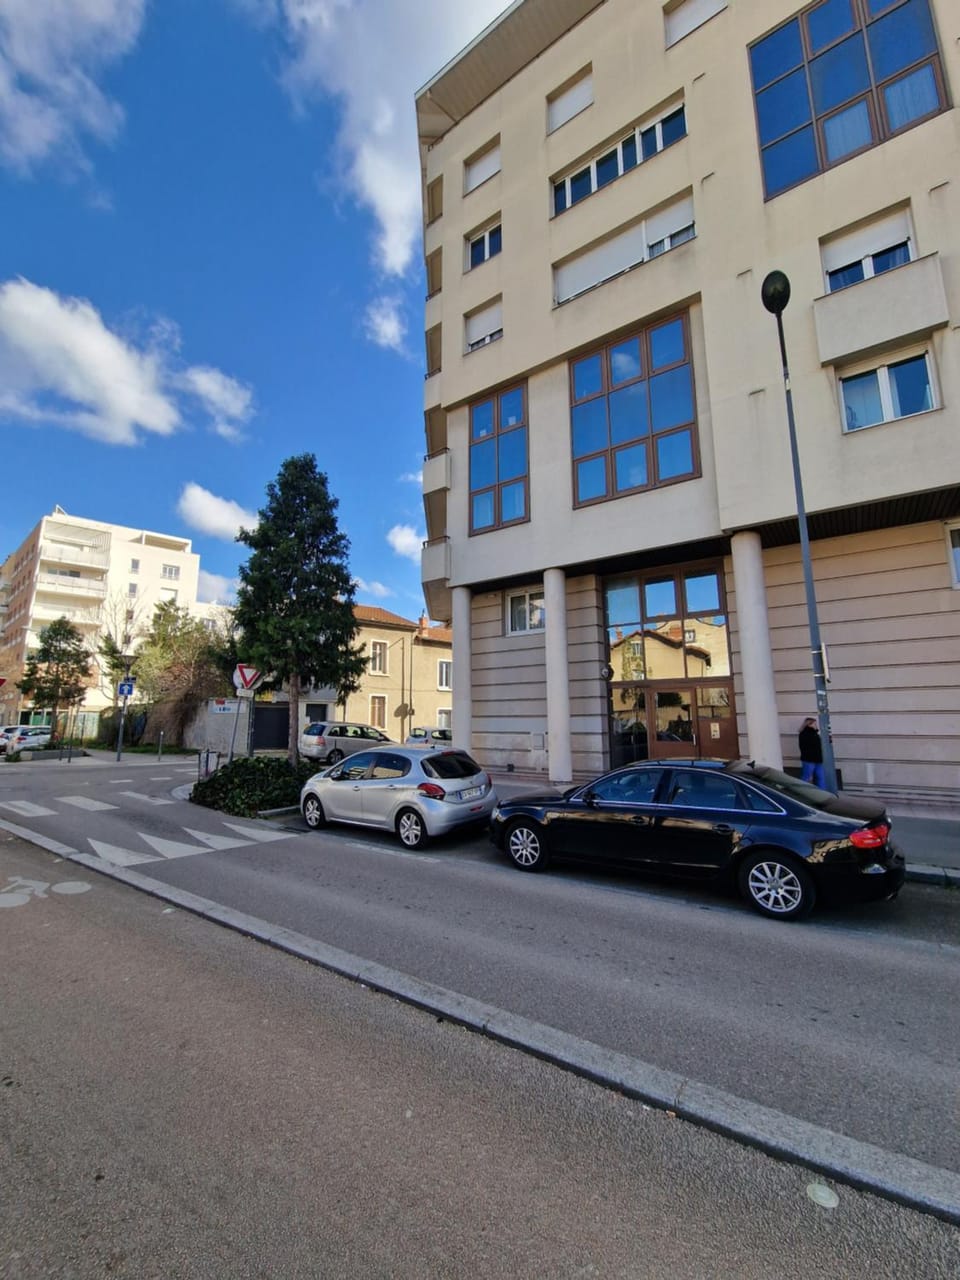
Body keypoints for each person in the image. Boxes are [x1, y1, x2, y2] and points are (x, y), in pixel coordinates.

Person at [798, 717, 825, 787]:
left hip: (817, 758)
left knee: (821, 777)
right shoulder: (805, 734)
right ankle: (801, 791)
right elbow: (806, 747)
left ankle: (822, 792)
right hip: (809, 759)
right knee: (806, 777)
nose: (816, 725)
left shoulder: (815, 733)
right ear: (809, 724)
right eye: (814, 724)